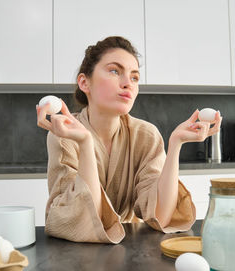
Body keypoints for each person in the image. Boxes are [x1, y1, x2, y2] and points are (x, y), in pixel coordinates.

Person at [36, 36, 222, 243]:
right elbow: (84, 221)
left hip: (134, 249)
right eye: (115, 71)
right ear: (84, 82)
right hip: (78, 255)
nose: (127, 84)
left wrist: (175, 144)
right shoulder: (64, 136)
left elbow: (161, 216)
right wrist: (85, 143)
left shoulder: (146, 135)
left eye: (134, 77)